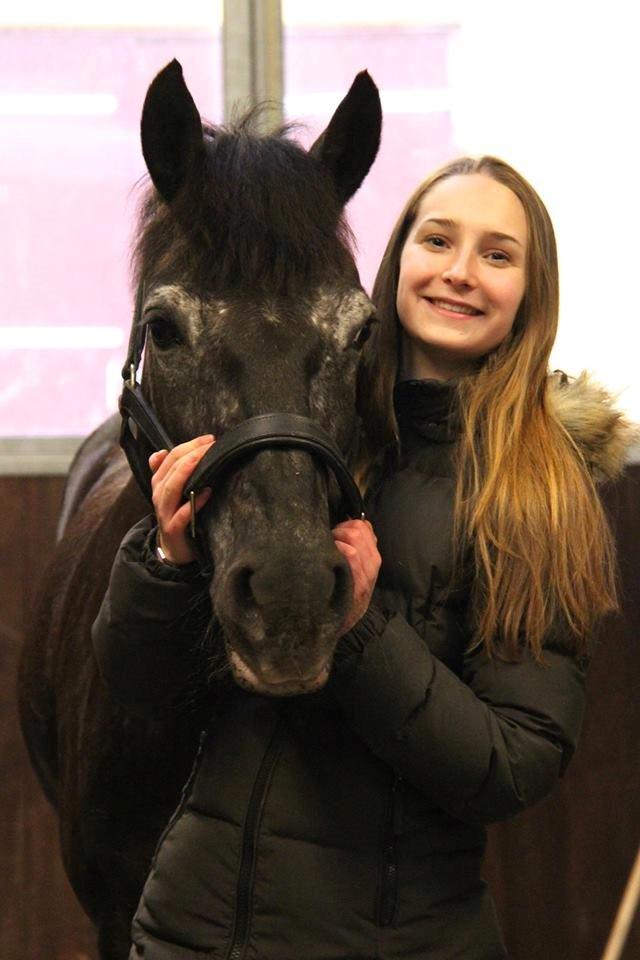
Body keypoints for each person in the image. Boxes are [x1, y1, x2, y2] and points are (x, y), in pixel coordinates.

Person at [93, 156, 631, 959]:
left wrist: (364, 627)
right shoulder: (299, 432)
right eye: (438, 239)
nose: (459, 272)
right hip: (196, 931)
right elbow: (139, 691)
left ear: (531, 291)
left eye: (497, 254)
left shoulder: (538, 496)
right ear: (397, 258)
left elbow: (514, 763)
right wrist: (166, 564)